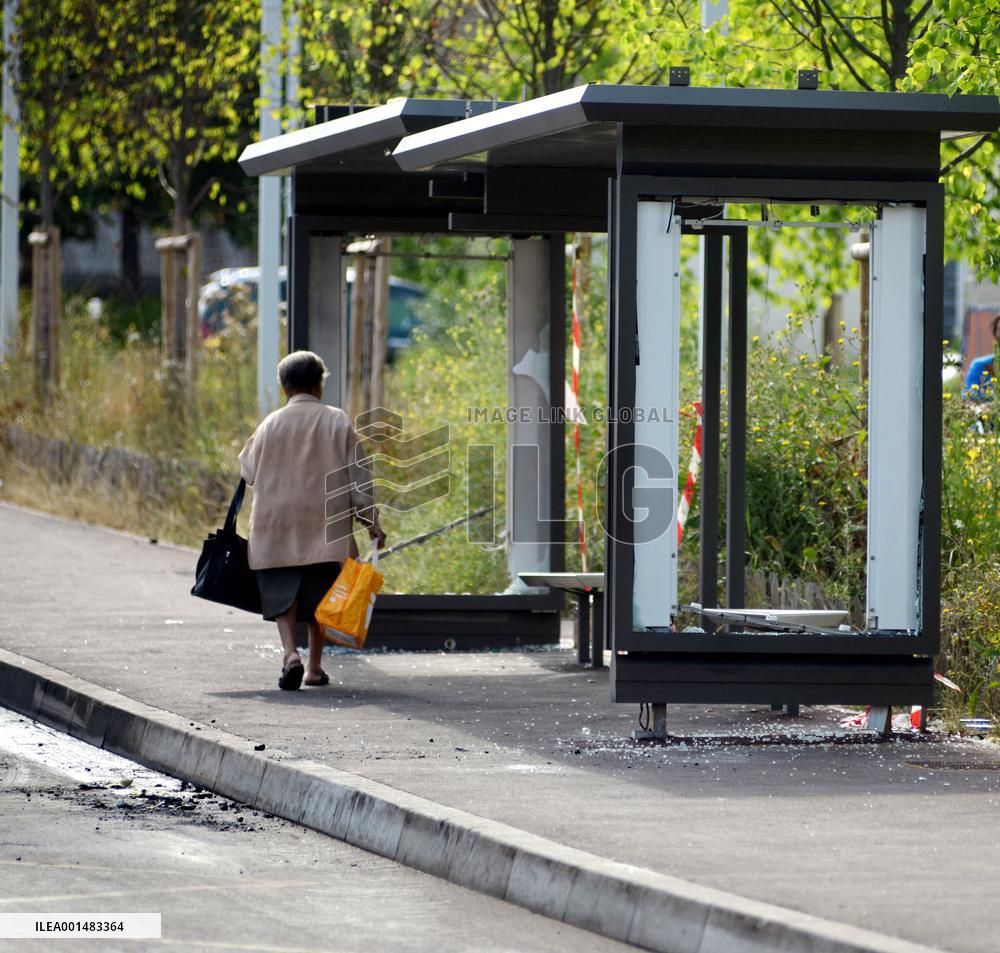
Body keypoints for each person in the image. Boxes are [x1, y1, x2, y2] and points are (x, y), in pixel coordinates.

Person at [239, 351, 386, 690]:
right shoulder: (338, 422)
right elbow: (359, 480)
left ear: (284, 387)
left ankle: (291, 654)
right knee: (322, 596)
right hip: (326, 525)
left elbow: (247, 470)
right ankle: (314, 668)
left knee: (282, 592)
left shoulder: (270, 424)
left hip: (275, 525)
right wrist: (370, 521)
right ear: (319, 385)